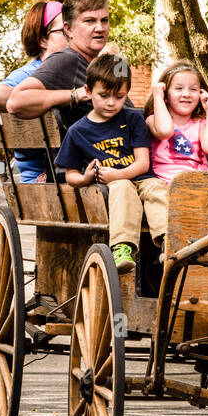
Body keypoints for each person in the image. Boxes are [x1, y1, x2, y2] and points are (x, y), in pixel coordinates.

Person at [55, 53, 167, 273]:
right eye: (104, 95)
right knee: (123, 187)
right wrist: (86, 178)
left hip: (141, 178)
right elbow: (70, 175)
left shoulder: (133, 119)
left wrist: (117, 173)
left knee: (157, 187)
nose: (111, 102)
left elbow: (143, 163)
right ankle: (122, 247)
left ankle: (169, 240)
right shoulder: (78, 131)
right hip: (110, 189)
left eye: (119, 96)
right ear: (88, 91)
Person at [8, 0, 110, 130]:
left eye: (104, 20)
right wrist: (75, 95)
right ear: (68, 29)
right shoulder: (68, 60)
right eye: (89, 21)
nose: (100, 28)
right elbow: (16, 101)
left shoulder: (91, 64)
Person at [0, 1, 66, 182]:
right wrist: (58, 96)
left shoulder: (74, 72)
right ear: (42, 39)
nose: (72, 35)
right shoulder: (31, 73)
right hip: (46, 182)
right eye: (64, 31)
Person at [145, 61, 208, 184]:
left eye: (193, 89)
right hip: (164, 184)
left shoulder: (201, 124)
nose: (186, 94)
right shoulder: (153, 120)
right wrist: (158, 97)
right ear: (165, 94)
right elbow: (164, 131)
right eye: (179, 88)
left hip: (197, 184)